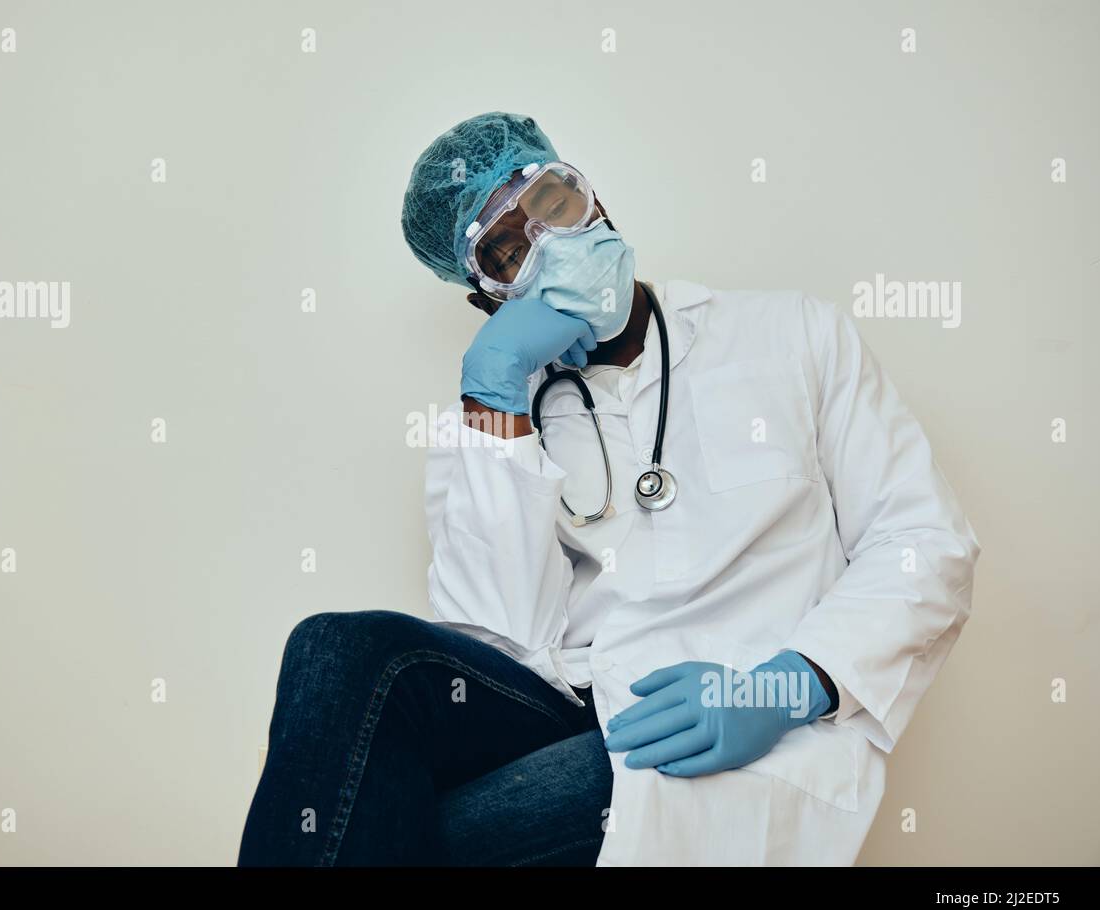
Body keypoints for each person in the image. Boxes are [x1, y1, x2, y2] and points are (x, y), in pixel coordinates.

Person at [237, 111, 980, 866]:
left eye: (552, 204)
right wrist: (495, 403)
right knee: (337, 648)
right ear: (487, 299)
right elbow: (502, 645)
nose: (548, 240)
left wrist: (788, 687)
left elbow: (924, 544)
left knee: (381, 831)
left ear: (593, 198)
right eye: (504, 249)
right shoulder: (497, 410)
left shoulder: (791, 336)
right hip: (570, 713)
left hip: (743, 727)